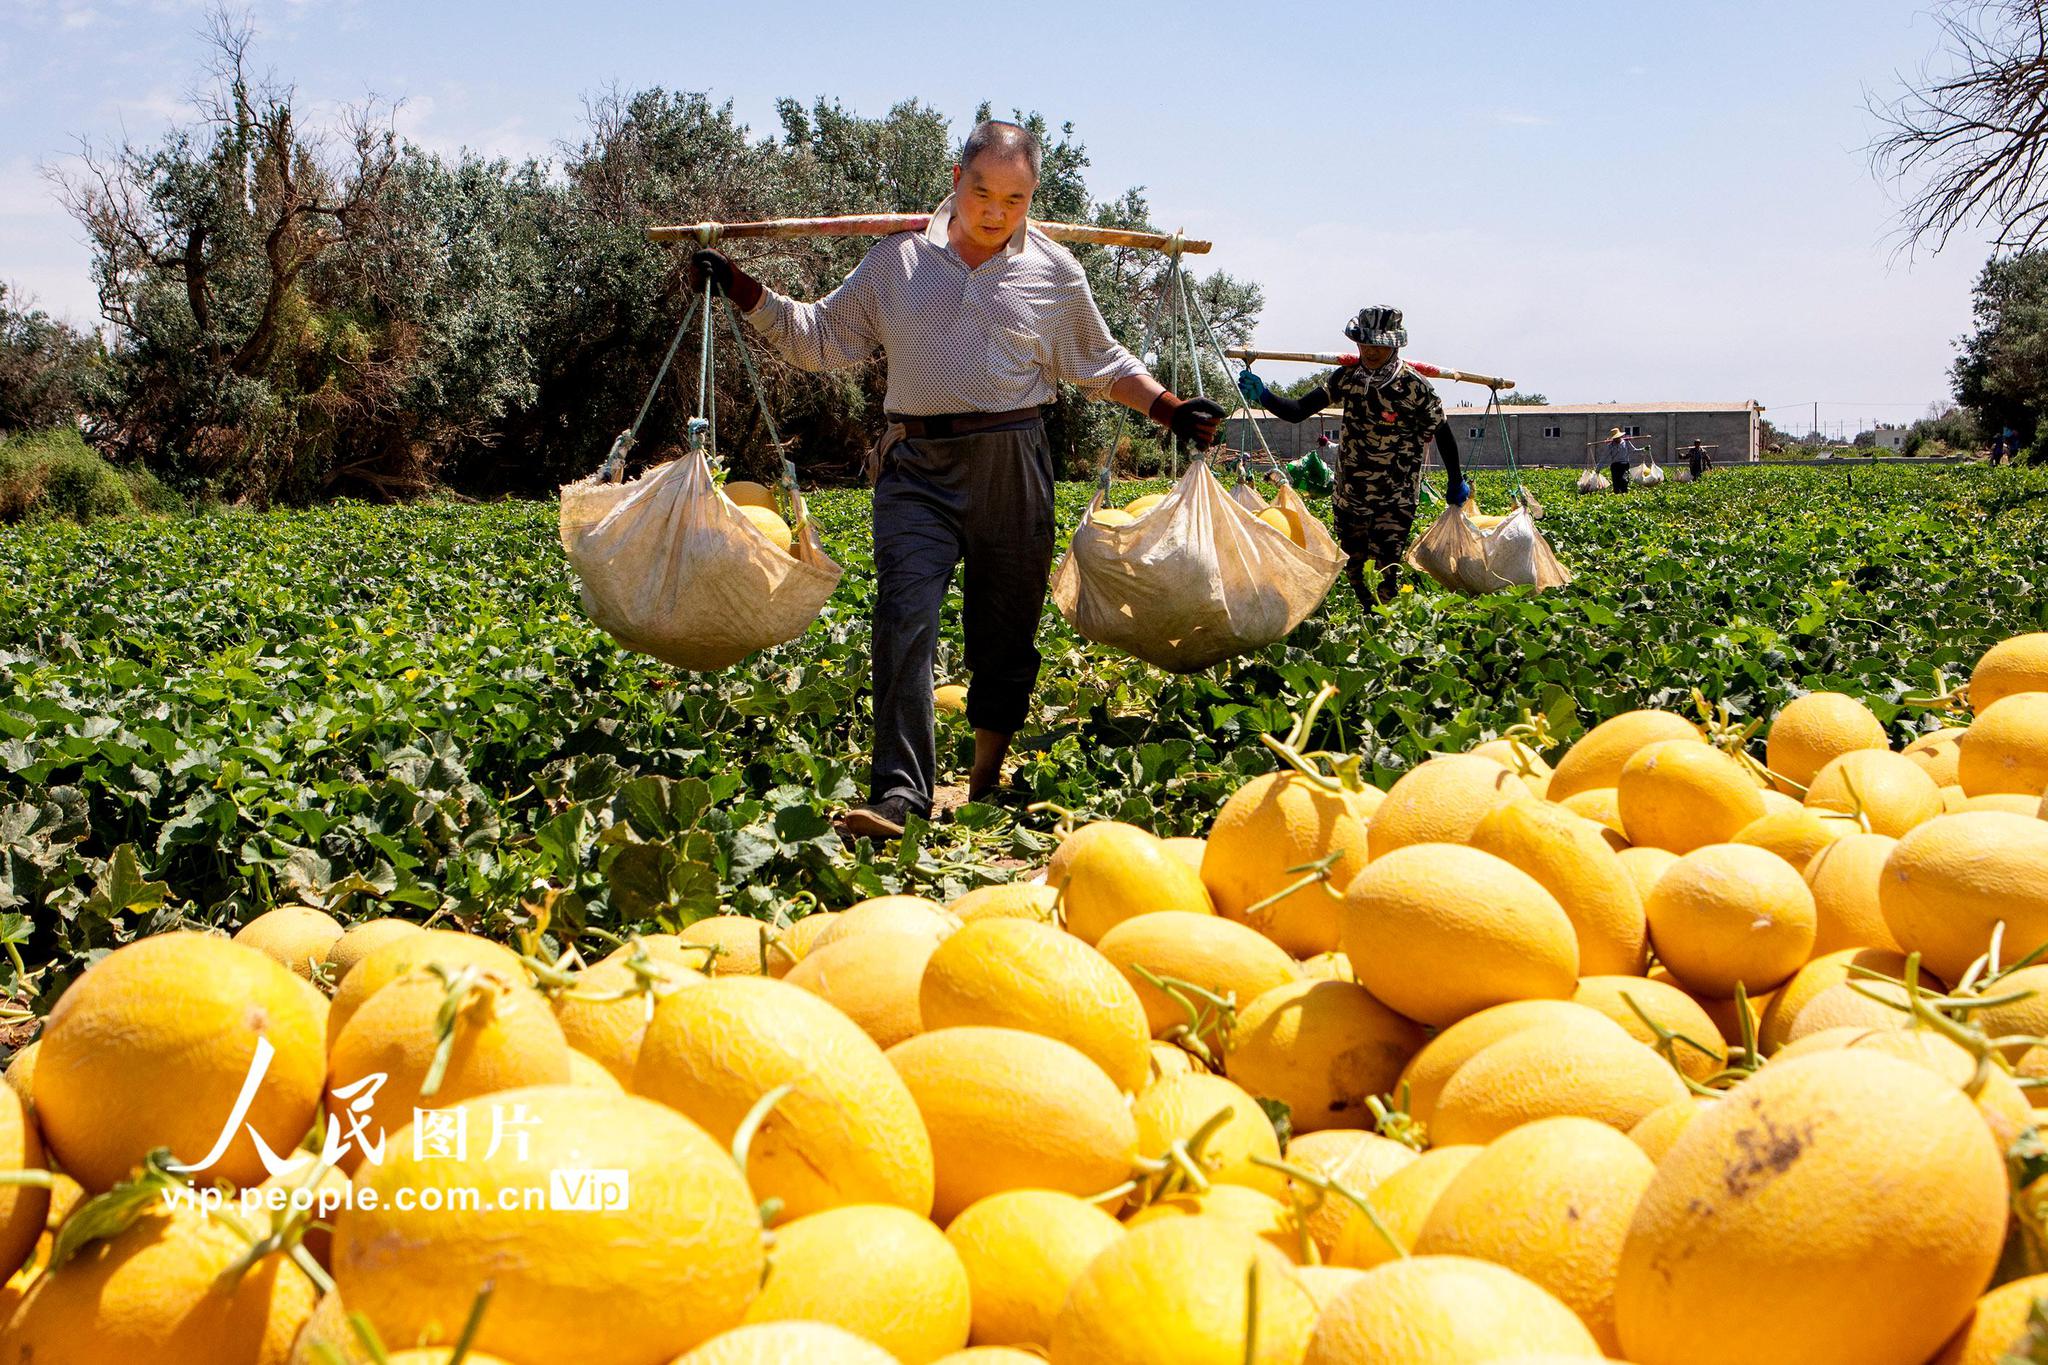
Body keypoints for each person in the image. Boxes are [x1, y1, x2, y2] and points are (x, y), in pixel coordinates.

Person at [689, 121, 1226, 841]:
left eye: (1015, 196)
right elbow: (818, 338)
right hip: (916, 465)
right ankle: (898, 795)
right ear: (955, 178)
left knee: (1005, 631)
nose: (996, 209)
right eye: (983, 190)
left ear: (1033, 196)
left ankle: (982, 780)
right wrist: (741, 289)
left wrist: (1168, 406)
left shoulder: (1056, 273)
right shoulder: (897, 261)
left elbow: (1101, 362)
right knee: (903, 615)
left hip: (1013, 461)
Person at [1236, 307, 1467, 605]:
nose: (1370, 351)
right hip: (1350, 495)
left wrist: (1455, 479)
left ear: (1394, 344)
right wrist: (1264, 396)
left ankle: (1386, 628)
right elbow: (1298, 411)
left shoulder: (1414, 386)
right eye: (1365, 343)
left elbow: (1444, 433)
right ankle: (1364, 619)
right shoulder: (1347, 378)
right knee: (1355, 571)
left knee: (1385, 571)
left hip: (1394, 497)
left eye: (1379, 345)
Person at [1604, 428, 1638, 493]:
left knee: (1624, 481)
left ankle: (1624, 495)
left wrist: (1644, 449)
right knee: (1616, 483)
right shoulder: (1610, 445)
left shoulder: (1626, 442)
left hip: (1624, 465)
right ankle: (1617, 496)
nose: (1617, 439)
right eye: (1615, 438)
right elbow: (1604, 456)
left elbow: (1634, 450)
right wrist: (1599, 467)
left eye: (1618, 437)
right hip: (1615, 466)